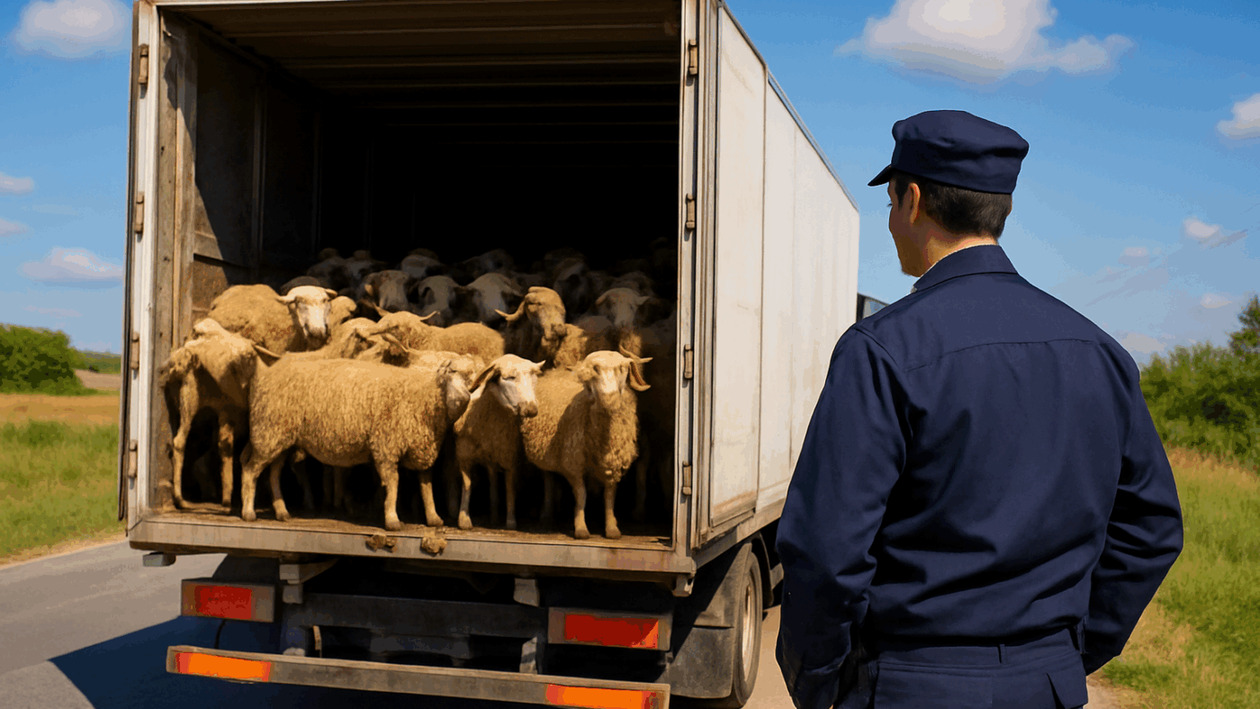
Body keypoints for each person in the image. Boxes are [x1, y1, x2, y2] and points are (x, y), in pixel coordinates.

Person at [774, 110, 1183, 709]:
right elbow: (1151, 530)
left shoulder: (881, 349)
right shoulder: (1100, 353)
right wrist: (1068, 653)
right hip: (1047, 687)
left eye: (889, 203)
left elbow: (826, 551)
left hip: (909, 687)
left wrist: (819, 684)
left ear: (910, 199)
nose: (890, 222)